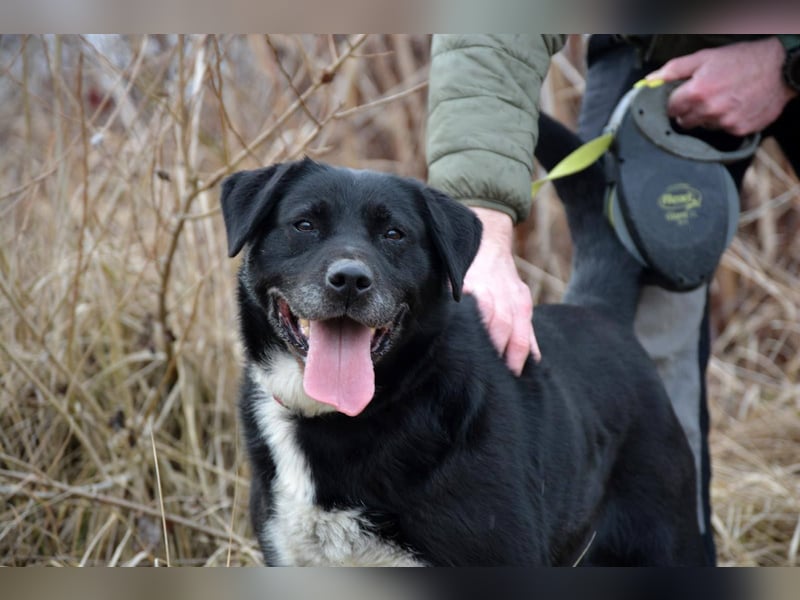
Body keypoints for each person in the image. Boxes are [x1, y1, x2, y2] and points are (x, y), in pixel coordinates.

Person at [425, 34, 800, 565]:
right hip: (659, 55)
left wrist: (786, 59)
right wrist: (481, 231)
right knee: (642, 363)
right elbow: (490, 32)